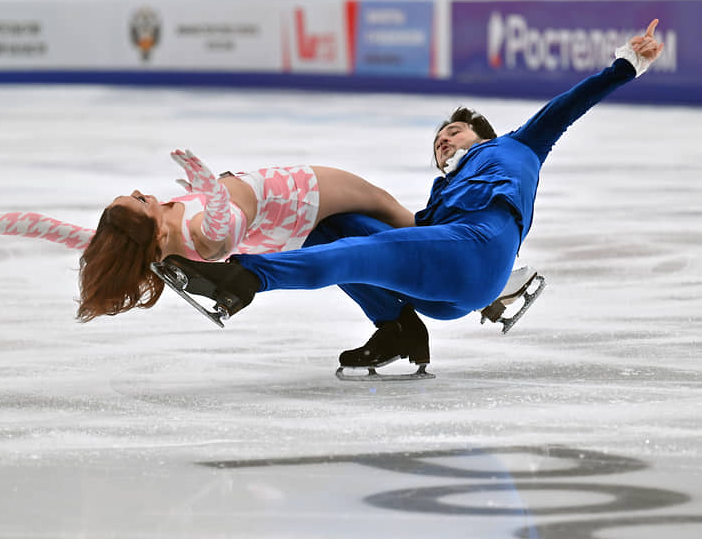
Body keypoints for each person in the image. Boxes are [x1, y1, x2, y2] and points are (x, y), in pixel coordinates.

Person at [155, 19, 665, 371]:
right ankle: (398, 330)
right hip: (445, 280)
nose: (444, 139)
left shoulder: (517, 146)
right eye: (439, 139)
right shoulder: (442, 194)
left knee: (361, 252)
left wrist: (627, 64)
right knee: (329, 228)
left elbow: (567, 106)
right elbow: (417, 238)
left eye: (455, 132)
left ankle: (245, 278)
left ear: (481, 134)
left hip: (473, 252)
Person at [0, 151, 416, 321]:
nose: (140, 191)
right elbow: (226, 226)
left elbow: (40, 226)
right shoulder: (201, 236)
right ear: (147, 228)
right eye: (137, 200)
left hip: (283, 198)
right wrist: (207, 185)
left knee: (385, 237)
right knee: (398, 217)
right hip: (303, 193)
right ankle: (480, 275)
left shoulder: (157, 236)